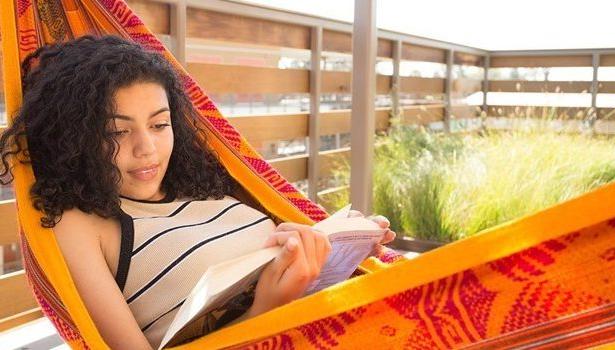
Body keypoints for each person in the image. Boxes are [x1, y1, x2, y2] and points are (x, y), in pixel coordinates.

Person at [0, 35, 396, 349]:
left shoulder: (201, 183)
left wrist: (337, 250)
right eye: (116, 132)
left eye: (159, 125)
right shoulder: (79, 223)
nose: (147, 148)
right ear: (73, 138)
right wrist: (267, 310)